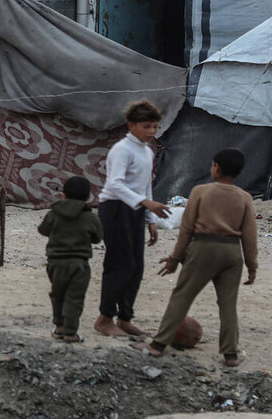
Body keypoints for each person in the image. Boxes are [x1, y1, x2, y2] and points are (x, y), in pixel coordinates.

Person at [134, 148, 257, 367]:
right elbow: (249, 235)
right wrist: (252, 265)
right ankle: (230, 354)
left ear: (216, 168)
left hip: (203, 248)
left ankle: (157, 345)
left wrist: (175, 258)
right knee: (228, 305)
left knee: (182, 296)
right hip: (232, 252)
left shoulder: (200, 191)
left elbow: (186, 230)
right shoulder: (245, 197)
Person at [95, 99, 171, 338]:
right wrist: (145, 203)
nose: (151, 131)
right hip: (115, 208)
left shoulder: (147, 152)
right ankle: (105, 318)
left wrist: (150, 219)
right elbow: (115, 184)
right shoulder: (122, 150)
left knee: (136, 266)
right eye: (146, 126)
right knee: (120, 263)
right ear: (131, 126)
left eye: (155, 127)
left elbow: (146, 186)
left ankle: (125, 318)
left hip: (136, 209)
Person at [38, 176, 103, 343]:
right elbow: (97, 238)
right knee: (74, 298)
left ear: (64, 194)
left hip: (55, 263)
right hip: (79, 264)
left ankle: (59, 327)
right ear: (87, 196)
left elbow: (43, 230)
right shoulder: (90, 217)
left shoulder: (54, 213)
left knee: (57, 294)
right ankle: (70, 332)